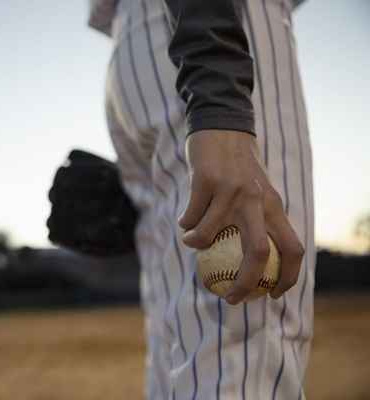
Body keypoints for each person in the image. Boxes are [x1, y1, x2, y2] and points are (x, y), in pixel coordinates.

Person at [88, 0, 314, 399]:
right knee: (242, 362)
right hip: (218, 29)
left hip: (136, 49)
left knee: (181, 366)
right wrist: (219, 101)